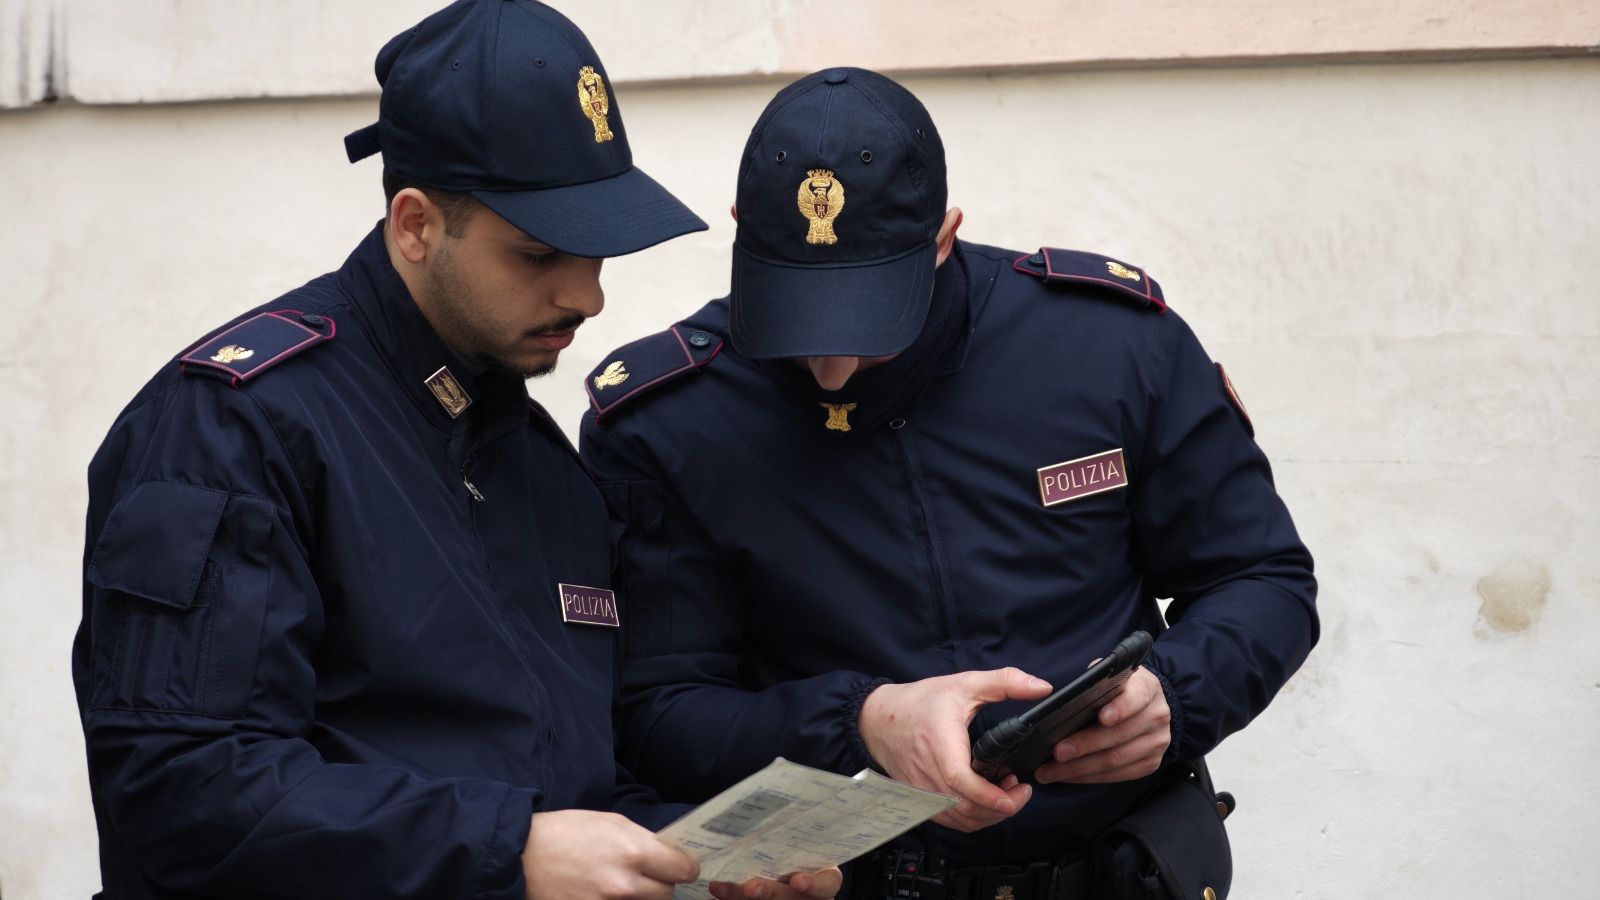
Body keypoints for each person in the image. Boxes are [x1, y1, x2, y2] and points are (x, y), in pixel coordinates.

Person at [71, 3, 843, 898]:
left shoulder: (546, 464)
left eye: (602, 254)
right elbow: (181, 790)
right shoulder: (238, 426)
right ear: (415, 225)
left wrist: (696, 857)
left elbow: (558, 779)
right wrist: (507, 852)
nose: (588, 296)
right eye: (540, 253)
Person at [578, 67, 1319, 900]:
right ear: (743, 232)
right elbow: (658, 715)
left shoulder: (1109, 349)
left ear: (942, 237)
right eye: (790, 318)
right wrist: (861, 724)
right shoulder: (670, 422)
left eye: (868, 321)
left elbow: (1263, 579)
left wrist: (1173, 698)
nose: (831, 369)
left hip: (1120, 871)